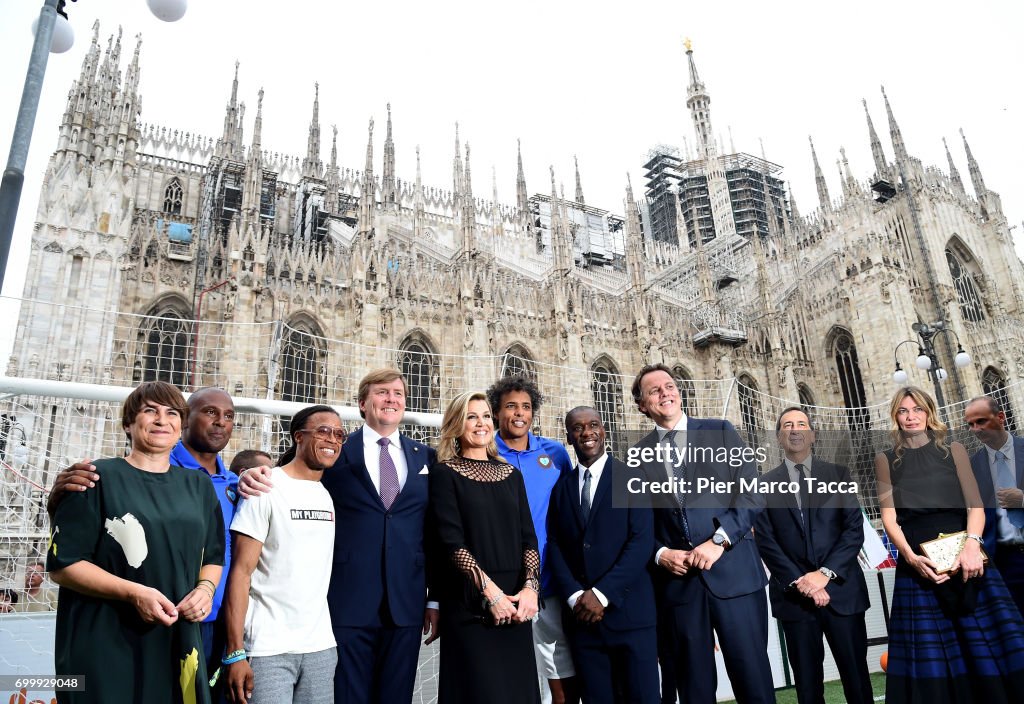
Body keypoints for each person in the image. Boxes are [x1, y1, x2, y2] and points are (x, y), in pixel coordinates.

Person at [239, 369, 437, 704]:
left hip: (406, 603)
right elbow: (288, 473)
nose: (391, 399)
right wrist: (246, 475)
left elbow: (434, 531)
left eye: (398, 394)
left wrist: (434, 598)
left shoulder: (425, 457)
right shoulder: (335, 449)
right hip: (346, 602)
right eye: (382, 393)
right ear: (362, 403)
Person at [48, 386, 239, 694]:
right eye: (150, 411)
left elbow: (214, 557)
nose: (162, 420)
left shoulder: (199, 487)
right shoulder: (94, 477)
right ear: (128, 423)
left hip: (177, 637)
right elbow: (63, 565)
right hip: (105, 638)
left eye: (172, 413)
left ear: (181, 425)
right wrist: (134, 593)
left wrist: (205, 590)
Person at [629, 363, 773, 704]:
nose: (665, 392)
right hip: (680, 588)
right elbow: (635, 525)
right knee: (694, 688)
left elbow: (753, 493)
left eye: (669, 385)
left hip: (735, 577)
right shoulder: (635, 456)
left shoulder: (720, 431)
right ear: (642, 405)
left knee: (753, 680)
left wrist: (719, 540)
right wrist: (661, 554)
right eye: (654, 390)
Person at [876, 386, 1024, 702]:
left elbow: (975, 507)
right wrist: (911, 558)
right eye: (903, 411)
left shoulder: (954, 450)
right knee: (931, 665)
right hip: (920, 567)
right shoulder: (885, 460)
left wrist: (972, 546)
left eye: (917, 409)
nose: (911, 416)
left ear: (929, 413)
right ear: (896, 418)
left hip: (968, 559)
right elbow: (889, 519)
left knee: (988, 648)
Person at [223, 405, 341, 704]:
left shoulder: (326, 494)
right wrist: (235, 651)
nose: (333, 439)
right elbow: (240, 573)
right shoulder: (265, 487)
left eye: (340, 434)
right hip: (267, 648)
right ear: (298, 436)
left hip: (320, 647)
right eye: (323, 431)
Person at [754, 407, 872, 704]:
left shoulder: (838, 475)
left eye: (802, 424)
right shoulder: (763, 485)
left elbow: (852, 531)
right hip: (795, 600)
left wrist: (824, 575)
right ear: (779, 436)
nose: (795, 430)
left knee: (857, 681)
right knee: (808, 688)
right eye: (787, 425)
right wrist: (801, 582)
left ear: (813, 434)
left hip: (841, 593)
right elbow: (766, 542)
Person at [429, 390, 540, 704]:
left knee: (517, 692)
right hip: (470, 601)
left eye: (486, 416)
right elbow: (451, 543)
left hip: (515, 602)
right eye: (471, 416)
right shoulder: (444, 474)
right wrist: (489, 593)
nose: (481, 423)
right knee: (479, 691)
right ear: (456, 425)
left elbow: (528, 539)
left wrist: (531, 589)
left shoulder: (511, 475)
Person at [546, 406, 659, 703]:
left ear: (603, 430)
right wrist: (575, 596)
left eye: (593, 425)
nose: (587, 432)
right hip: (583, 622)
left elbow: (641, 542)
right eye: (578, 428)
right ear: (569, 436)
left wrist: (602, 593)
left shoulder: (631, 478)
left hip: (629, 616)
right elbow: (555, 544)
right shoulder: (562, 488)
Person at [487, 376, 578, 704]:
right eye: (511, 406)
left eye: (525, 406)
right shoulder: (484, 451)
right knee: (508, 678)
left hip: (550, 584)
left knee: (561, 681)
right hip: (502, 585)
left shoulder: (553, 453)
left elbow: (571, 511)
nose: (519, 413)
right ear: (497, 412)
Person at [964, 395, 1024, 614]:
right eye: (970, 424)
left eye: (981, 421)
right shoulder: (973, 465)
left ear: (1001, 417)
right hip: (1003, 562)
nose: (975, 429)